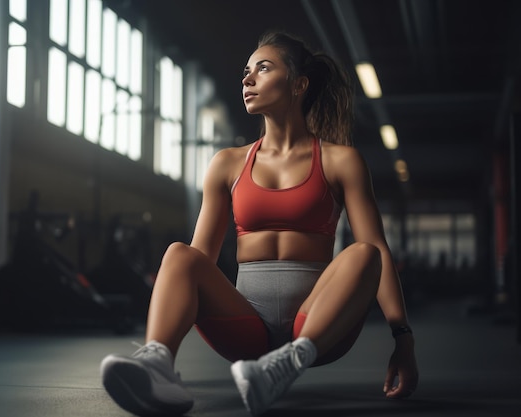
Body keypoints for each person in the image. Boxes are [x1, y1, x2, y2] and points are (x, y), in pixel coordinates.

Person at [100, 30, 419, 416]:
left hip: (319, 326)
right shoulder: (227, 164)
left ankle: (287, 363)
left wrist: (403, 338)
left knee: (366, 253)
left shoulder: (341, 161)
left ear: (299, 84)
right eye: (246, 72)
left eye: (263, 69)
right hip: (245, 326)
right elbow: (199, 259)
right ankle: (156, 366)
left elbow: (379, 253)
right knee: (179, 254)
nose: (247, 80)